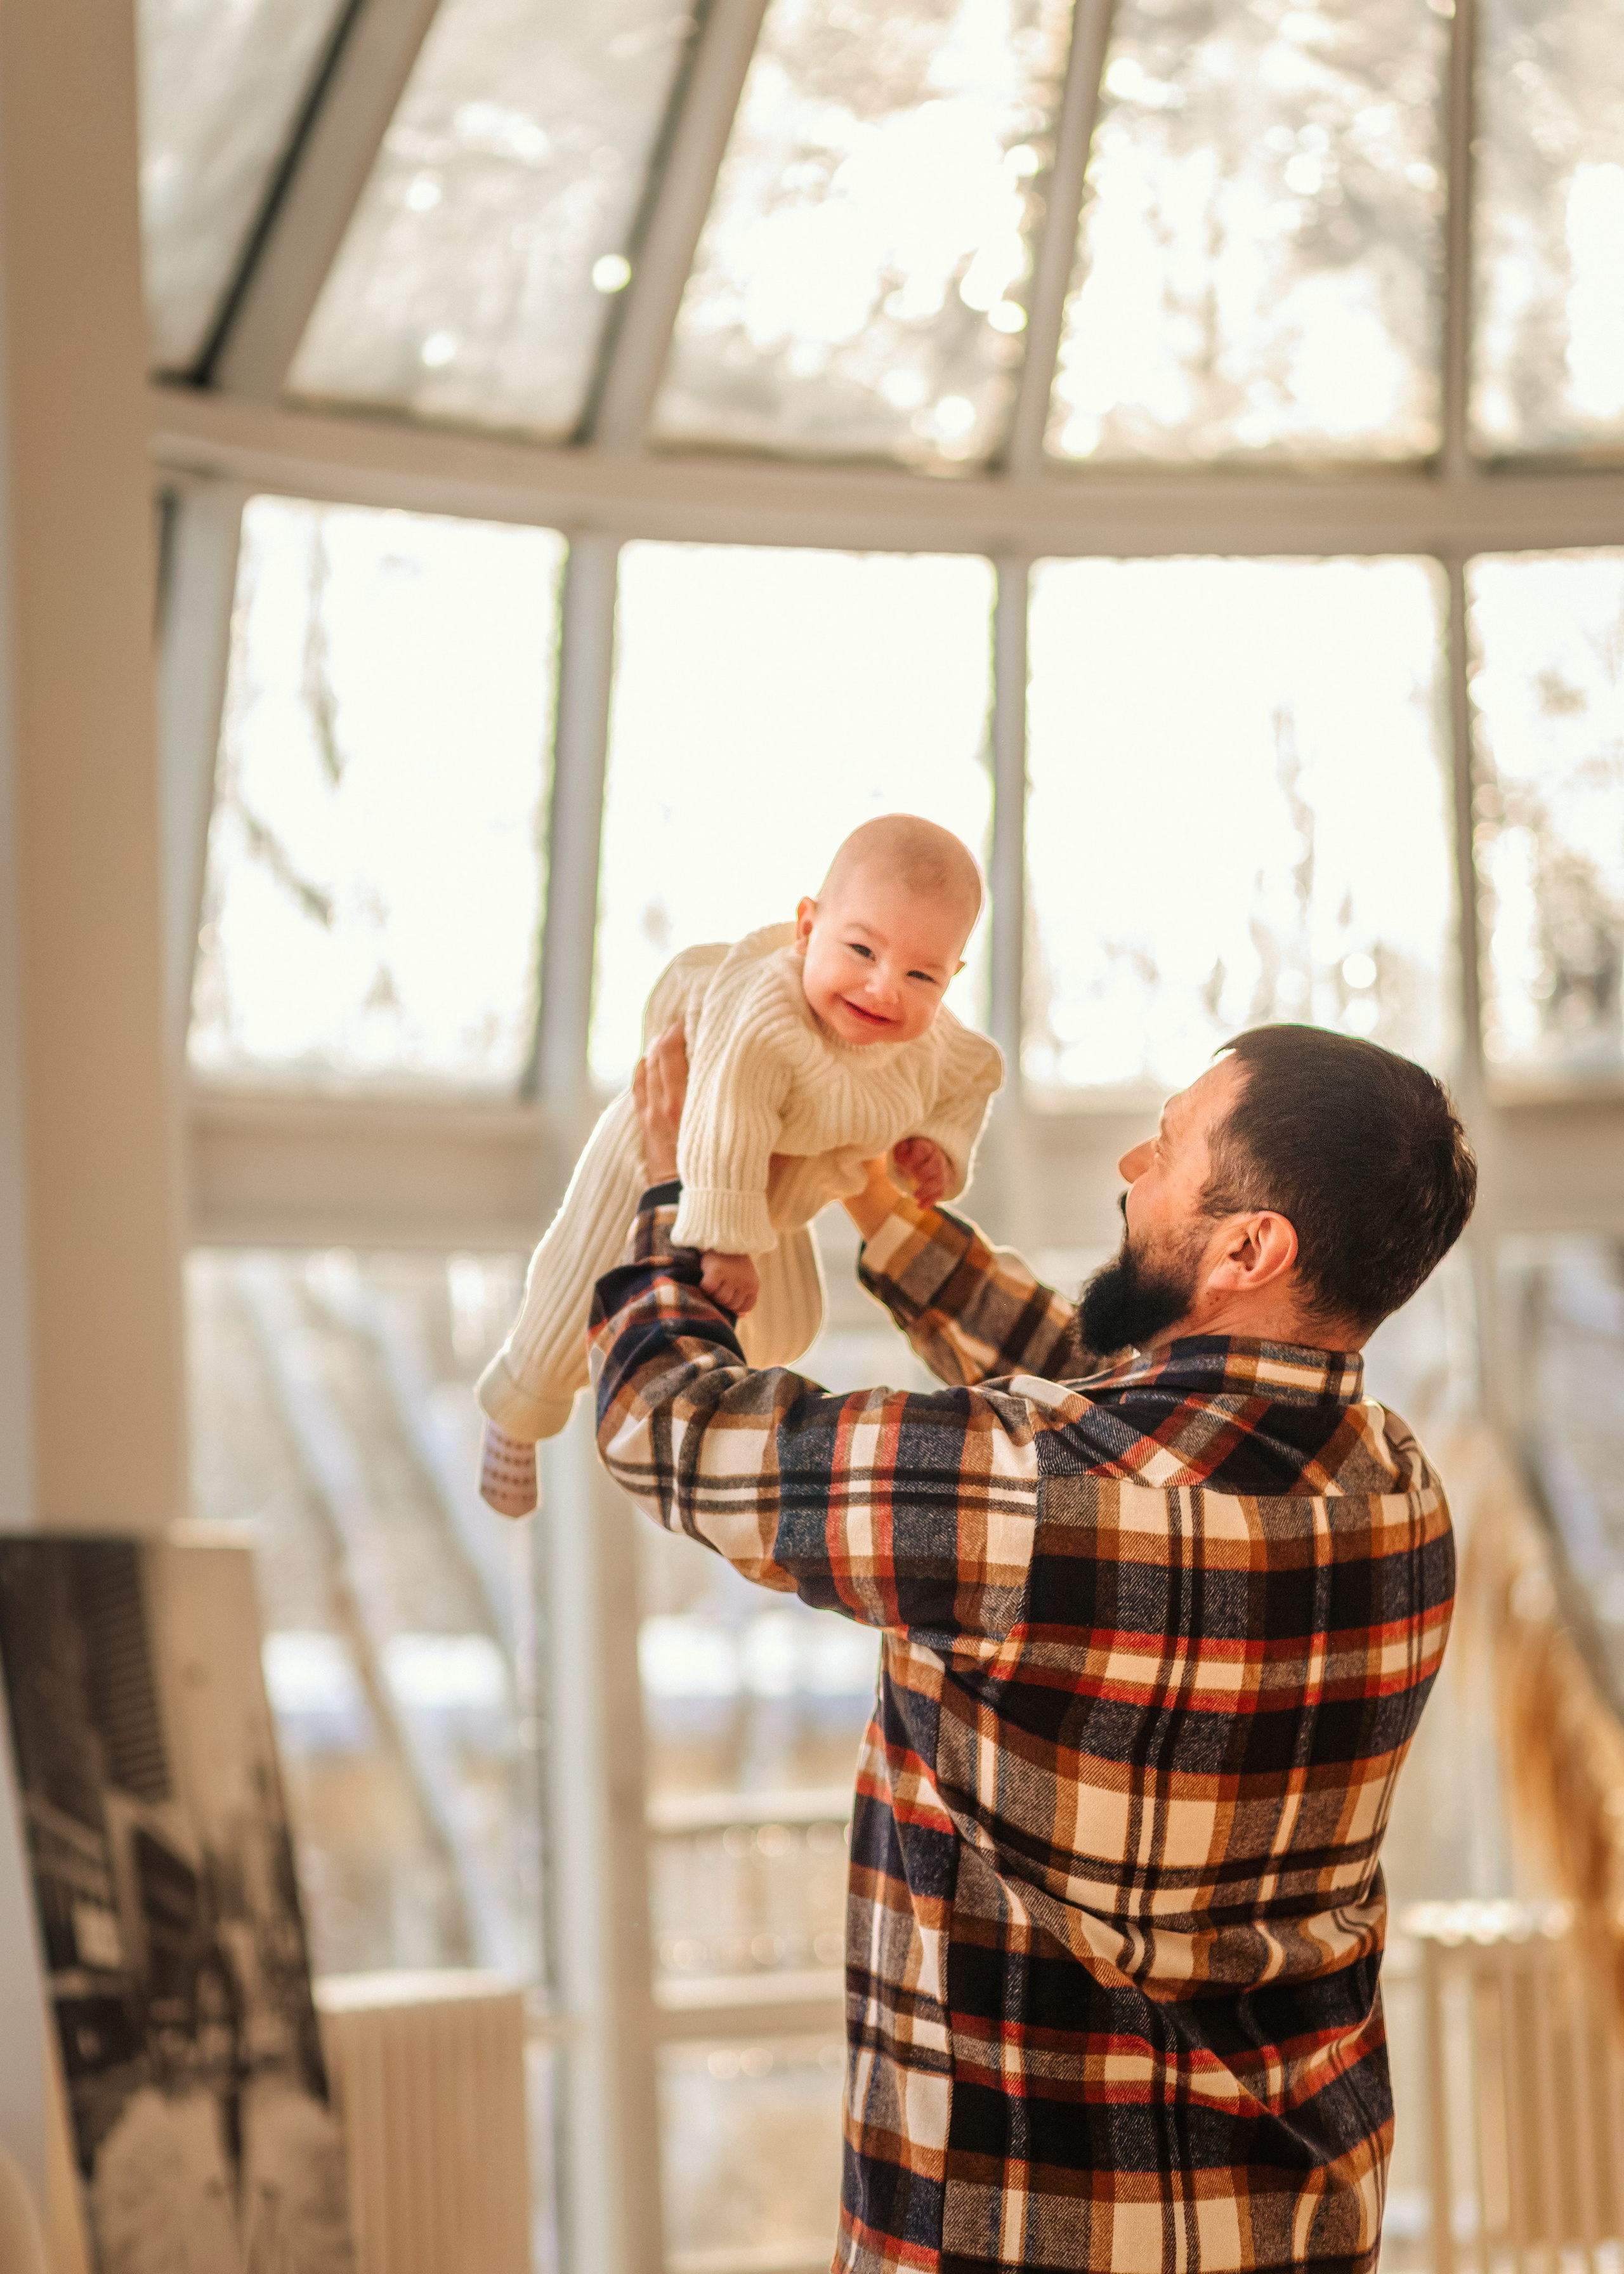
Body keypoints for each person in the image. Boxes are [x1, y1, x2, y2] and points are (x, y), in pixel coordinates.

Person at [594, 1020, 1476, 2274]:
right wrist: (882, 1209)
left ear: (1245, 1246)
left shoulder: (1036, 1496)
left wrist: (675, 1192)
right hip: (1293, 2230)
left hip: (1013, 2240)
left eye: (1165, 1149)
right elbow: (1118, 1400)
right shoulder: (1398, 1495)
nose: (1130, 1164)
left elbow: (666, 1425)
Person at [476, 814, 1003, 1515]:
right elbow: (727, 1119)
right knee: (576, 1286)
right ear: (807, 926)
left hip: (774, 1195)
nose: (884, 989)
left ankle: (679, 1404)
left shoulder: (928, 1039)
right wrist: (725, 1239)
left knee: (785, 1323)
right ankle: (520, 1404)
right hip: (662, 1155)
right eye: (861, 949)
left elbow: (974, 1075)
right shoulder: (768, 1016)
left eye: (920, 973)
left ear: (952, 976)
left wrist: (939, 1143)